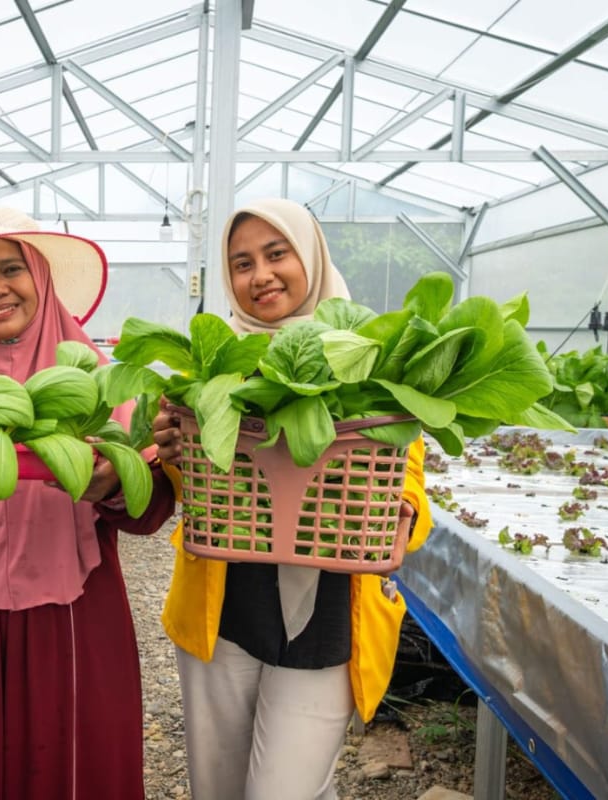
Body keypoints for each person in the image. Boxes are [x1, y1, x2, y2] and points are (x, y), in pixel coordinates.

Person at [152, 197, 432, 800]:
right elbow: (196, 486)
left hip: (330, 599)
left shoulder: (365, 352)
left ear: (310, 256)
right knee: (217, 786)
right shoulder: (213, 362)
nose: (260, 276)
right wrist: (172, 454)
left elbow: (405, 470)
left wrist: (402, 515)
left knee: (285, 788)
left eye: (277, 254)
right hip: (223, 599)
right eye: (242, 263)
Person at [0, 207, 178, 800]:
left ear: (43, 281)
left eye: (11, 269)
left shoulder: (97, 382)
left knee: (69, 768)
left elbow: (153, 507)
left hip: (72, 617)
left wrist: (114, 487)